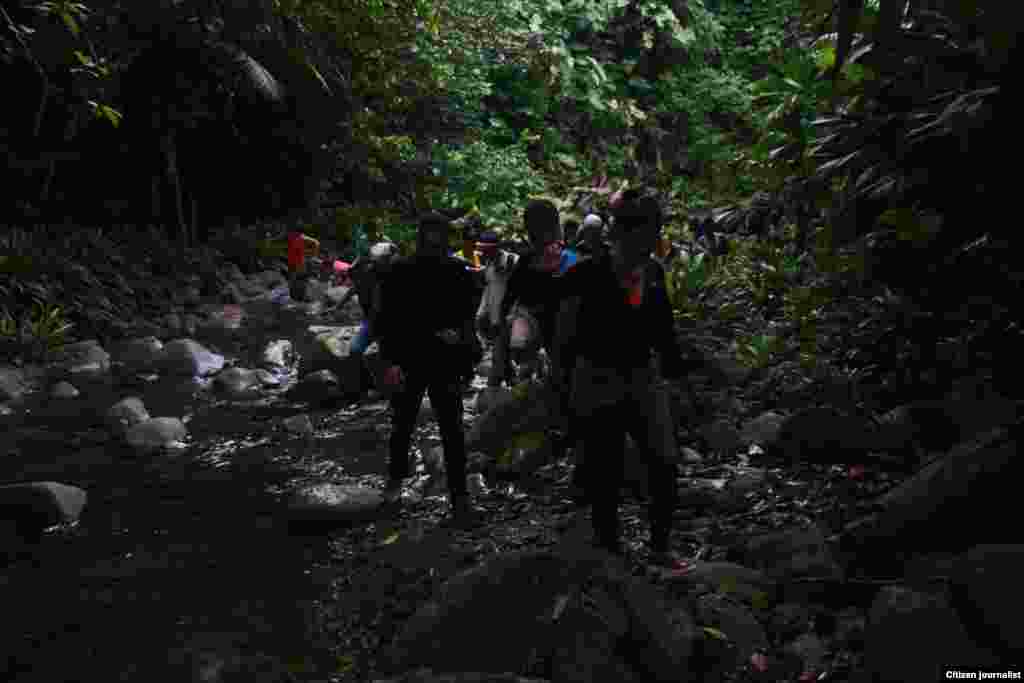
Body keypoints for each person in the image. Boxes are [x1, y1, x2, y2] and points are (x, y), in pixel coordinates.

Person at [548, 188, 696, 565]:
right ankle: (609, 547)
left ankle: (660, 546)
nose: (652, 239)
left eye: (655, 230)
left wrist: (677, 377)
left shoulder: (653, 272)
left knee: (663, 463)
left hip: (642, 375)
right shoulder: (584, 274)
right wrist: (562, 390)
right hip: (597, 376)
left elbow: (664, 330)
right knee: (605, 466)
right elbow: (563, 337)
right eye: (647, 230)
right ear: (625, 232)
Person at [374, 213, 482, 523]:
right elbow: (386, 320)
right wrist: (391, 360)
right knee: (408, 426)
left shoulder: (452, 271)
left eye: (438, 235)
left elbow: (465, 320)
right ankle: (400, 489)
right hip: (414, 358)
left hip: (437, 360)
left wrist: (465, 352)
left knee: (445, 430)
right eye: (431, 235)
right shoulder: (404, 271)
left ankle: (457, 498)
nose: (434, 241)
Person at [488, 199, 567, 388]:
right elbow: (510, 297)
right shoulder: (527, 260)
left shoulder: (567, 259)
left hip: (556, 324)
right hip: (532, 320)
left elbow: (509, 298)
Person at [338, 241, 398, 357]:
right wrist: (338, 306)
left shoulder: (396, 274)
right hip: (372, 321)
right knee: (355, 350)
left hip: (388, 322)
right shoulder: (369, 271)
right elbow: (356, 287)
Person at [286, 229, 321, 302]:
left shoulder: (302, 238)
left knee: (299, 281)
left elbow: (316, 243)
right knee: (294, 282)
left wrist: (312, 255)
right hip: (294, 267)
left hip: (300, 269)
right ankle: (295, 297)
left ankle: (300, 298)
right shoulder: (291, 239)